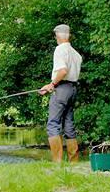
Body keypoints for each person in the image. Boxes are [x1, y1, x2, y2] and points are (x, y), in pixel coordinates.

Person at [39, 24, 82, 163]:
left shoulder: (59, 49)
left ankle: (57, 162)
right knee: (69, 124)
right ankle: (73, 162)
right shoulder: (76, 54)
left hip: (62, 89)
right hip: (73, 89)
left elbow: (62, 71)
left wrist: (51, 85)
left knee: (53, 124)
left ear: (58, 36)